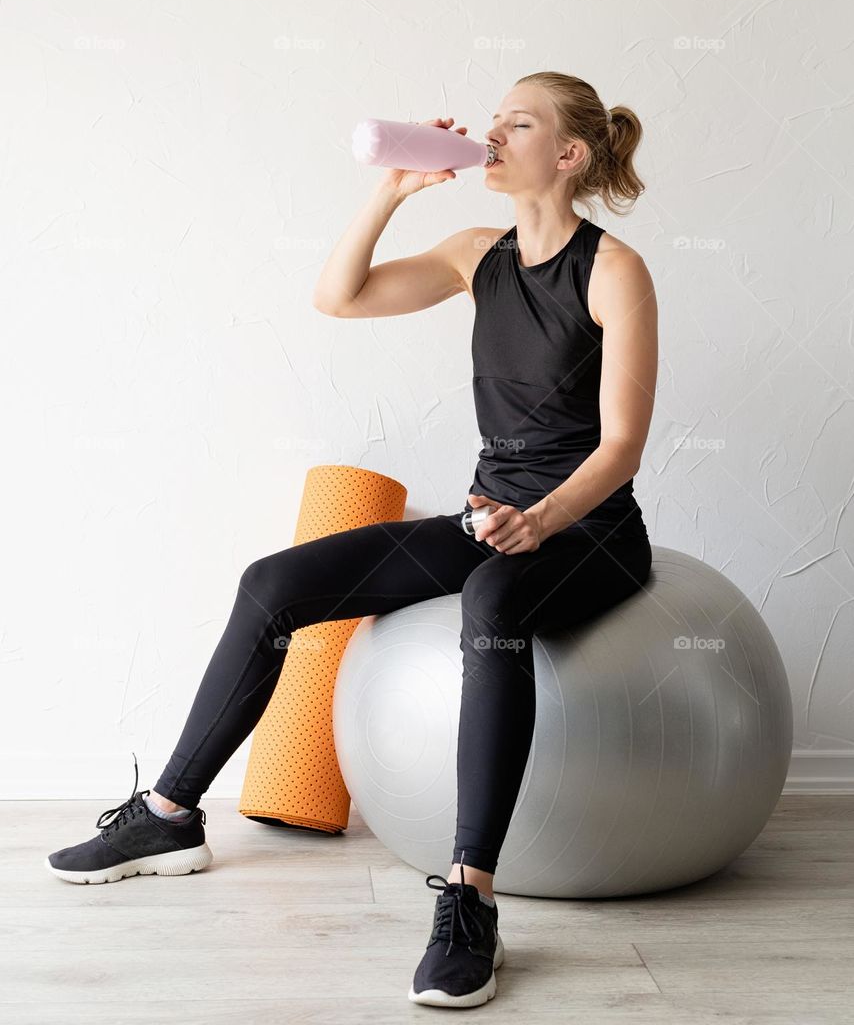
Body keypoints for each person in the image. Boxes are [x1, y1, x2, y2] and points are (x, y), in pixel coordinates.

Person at [46, 71, 658, 1010]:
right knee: (271, 583)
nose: (491, 133)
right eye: (491, 120)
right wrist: (391, 191)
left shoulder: (613, 269)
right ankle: (169, 815)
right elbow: (340, 297)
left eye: (517, 123)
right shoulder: (472, 253)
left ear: (568, 155)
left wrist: (538, 520)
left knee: (493, 601)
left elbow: (621, 447)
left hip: (591, 530)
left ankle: (469, 898)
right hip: (489, 515)